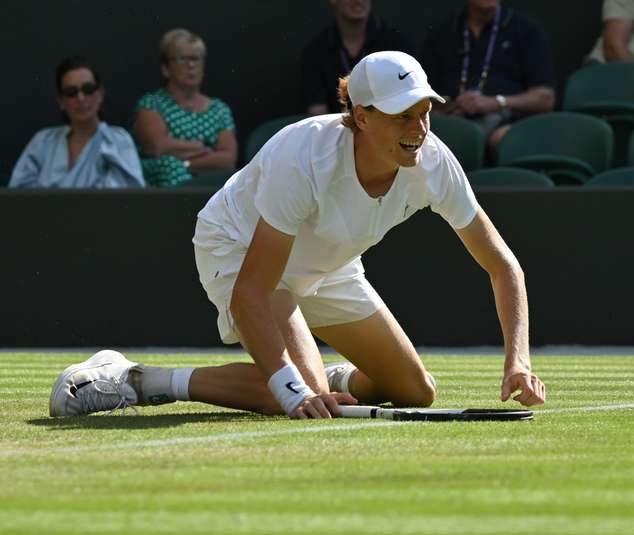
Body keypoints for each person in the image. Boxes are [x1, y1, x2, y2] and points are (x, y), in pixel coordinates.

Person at [49, 51, 546, 421]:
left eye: (424, 111)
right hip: (240, 247)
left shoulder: (433, 162)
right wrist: (291, 387)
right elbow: (252, 293)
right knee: (293, 395)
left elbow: (503, 266)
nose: (418, 128)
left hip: (329, 264)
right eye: (403, 115)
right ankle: (138, 380)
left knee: (415, 390)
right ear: (362, 115)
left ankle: (317, 375)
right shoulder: (305, 156)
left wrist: (517, 362)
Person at [419, 0, 555, 159]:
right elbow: (422, 95)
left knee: (505, 139)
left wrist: (496, 102)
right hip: (452, 120)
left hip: (506, 121)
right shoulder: (443, 31)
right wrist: (447, 106)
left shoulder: (525, 29)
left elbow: (545, 98)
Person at [9, 57, 144, 188]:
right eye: (71, 92)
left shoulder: (117, 140)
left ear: (100, 94)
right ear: (61, 101)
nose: (81, 98)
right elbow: (18, 196)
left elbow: (127, 199)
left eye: (88, 89)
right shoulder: (42, 141)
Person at [133, 28, 237, 187]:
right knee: (168, 165)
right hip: (159, 190)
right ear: (165, 68)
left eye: (196, 58)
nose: (191, 65)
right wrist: (201, 148)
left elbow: (228, 159)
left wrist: (186, 165)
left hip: (208, 187)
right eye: (182, 59)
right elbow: (156, 146)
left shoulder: (219, 109)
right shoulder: (151, 104)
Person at [301, 0, 414, 116]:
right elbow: (318, 113)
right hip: (335, 130)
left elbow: (408, 105)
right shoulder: (316, 51)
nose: (358, 1)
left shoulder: (396, 45)